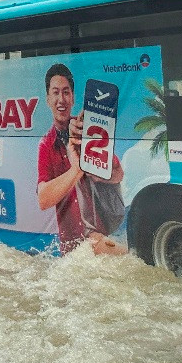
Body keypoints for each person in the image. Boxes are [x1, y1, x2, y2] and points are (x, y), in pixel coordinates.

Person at [37, 63, 126, 255]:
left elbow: (118, 173)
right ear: (48, 99)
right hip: (71, 252)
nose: (61, 99)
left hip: (99, 237)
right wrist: (76, 170)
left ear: (73, 97)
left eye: (66, 92)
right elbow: (43, 199)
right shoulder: (46, 144)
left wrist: (99, 172)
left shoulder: (86, 129)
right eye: (56, 92)